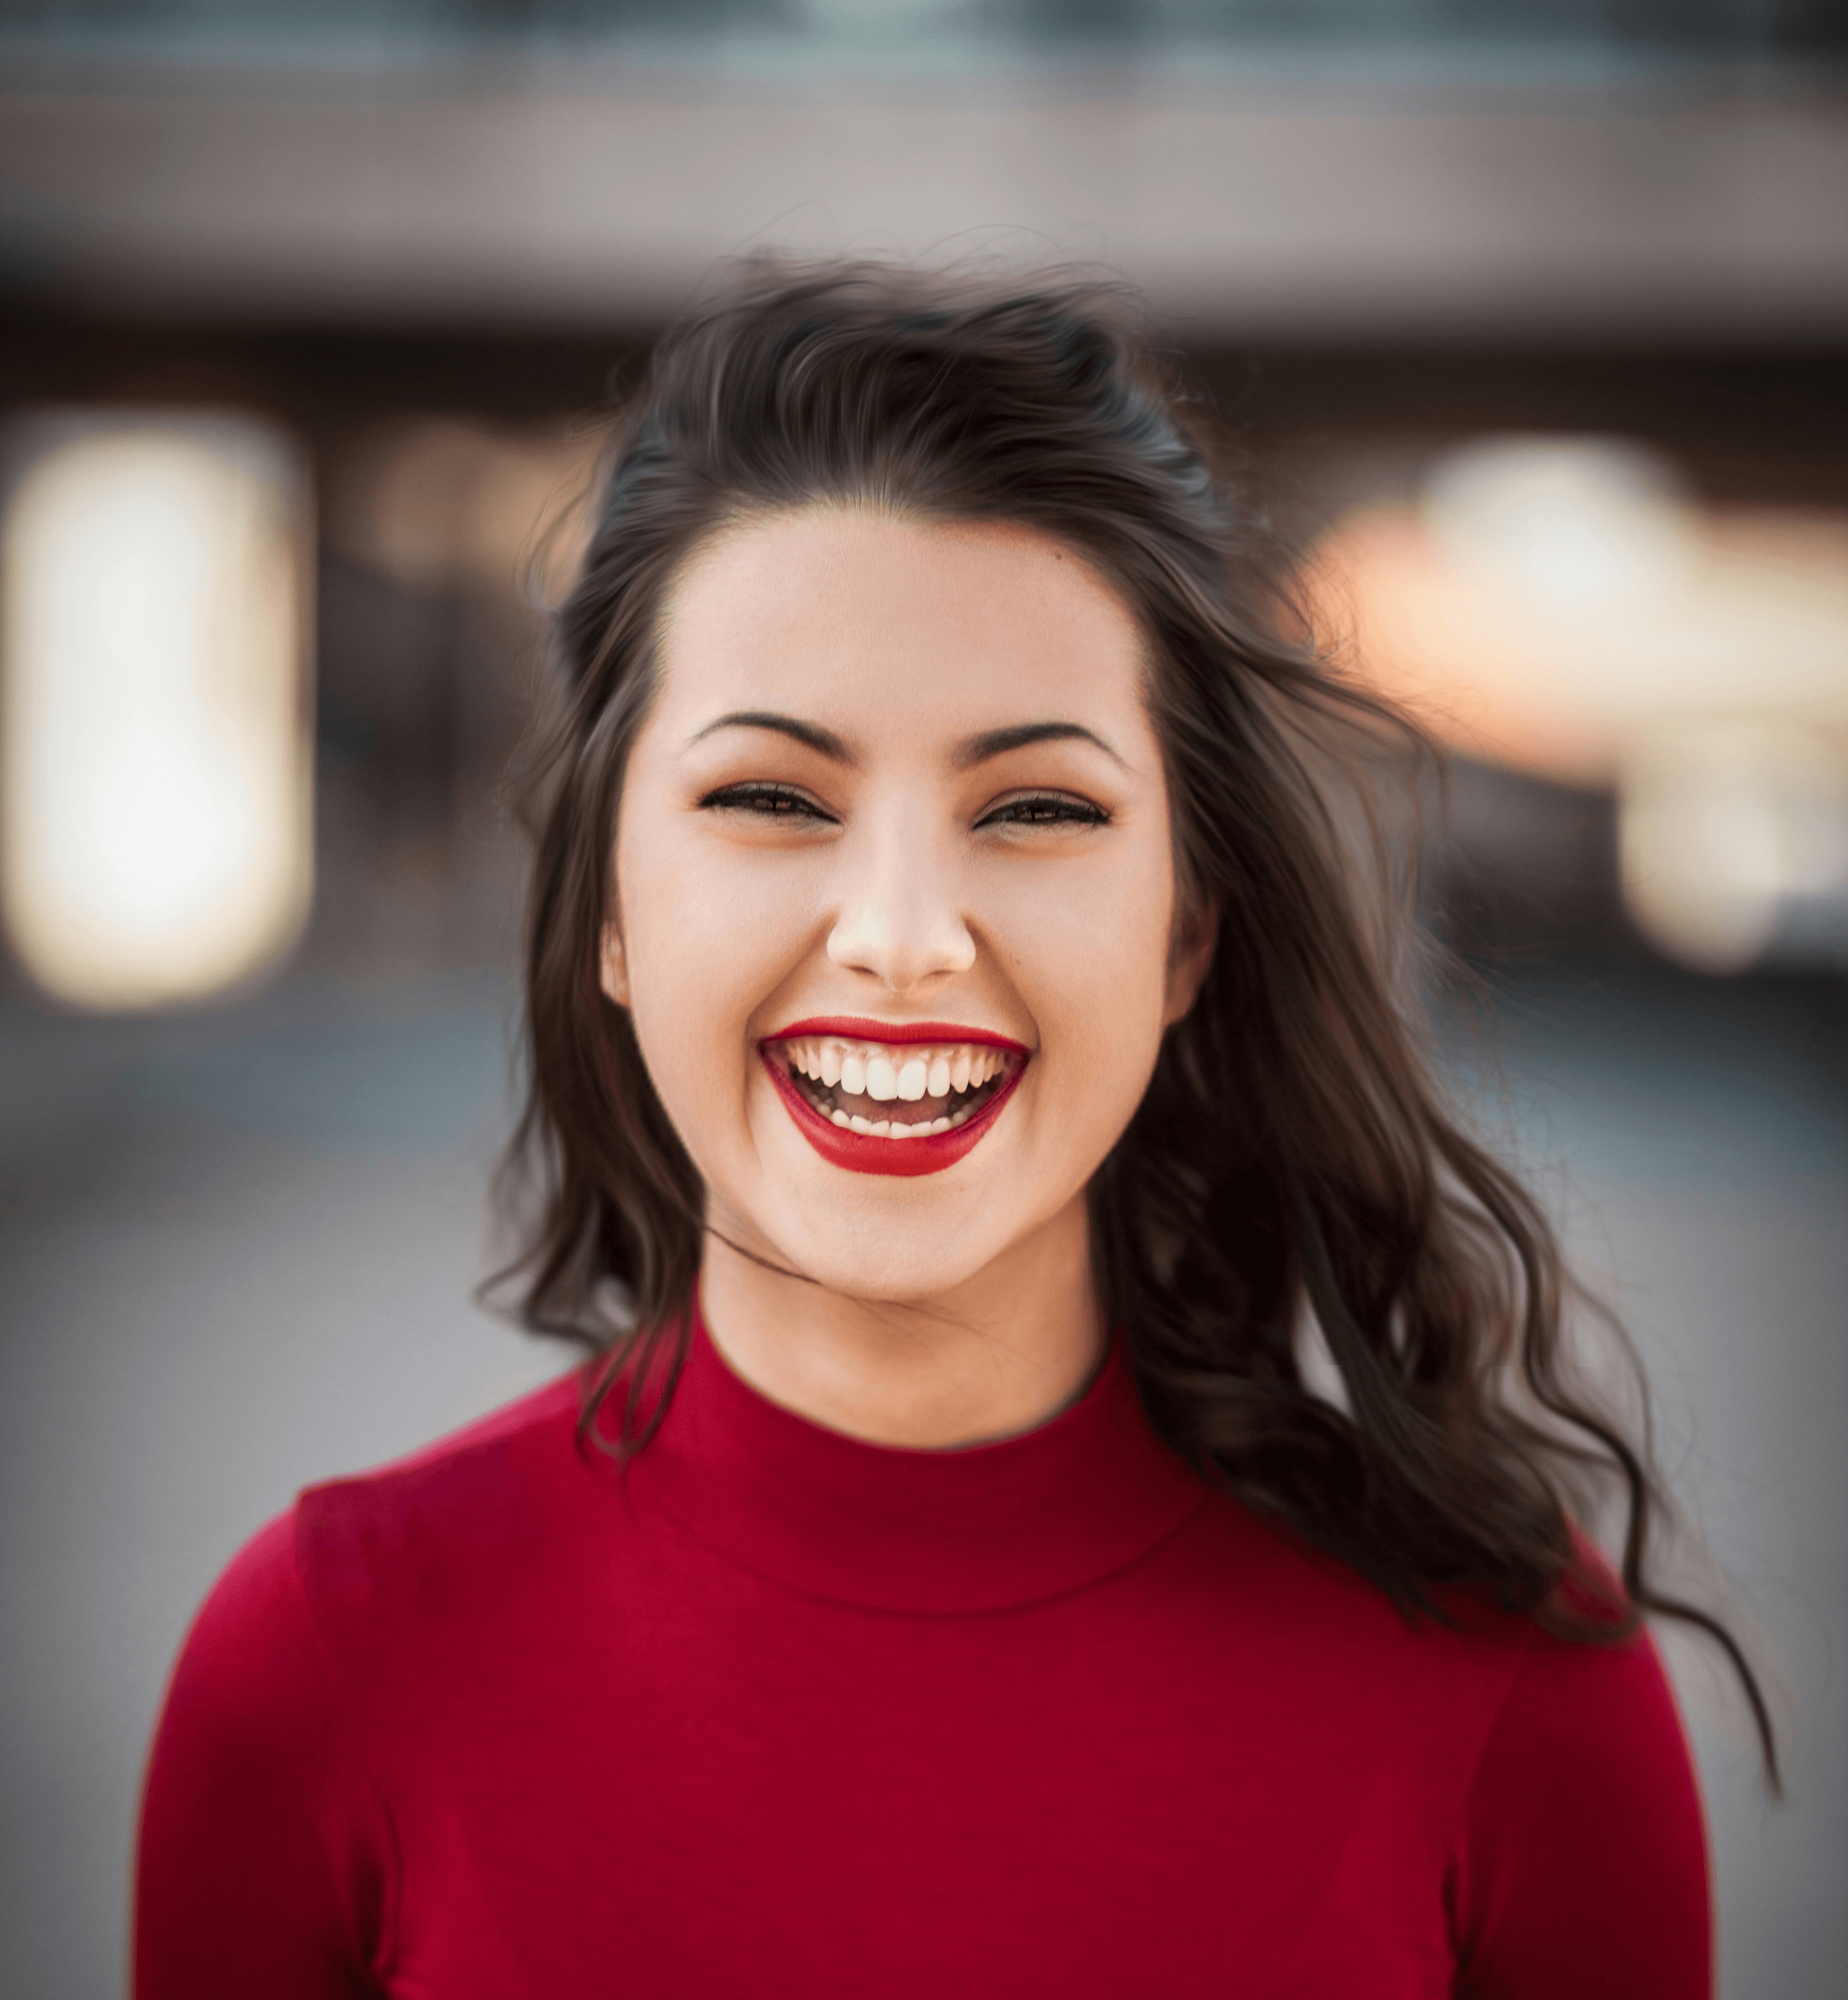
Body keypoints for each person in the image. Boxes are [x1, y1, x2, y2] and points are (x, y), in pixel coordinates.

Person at [134, 260, 1772, 1998]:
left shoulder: (1518, 1691)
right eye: (773, 797)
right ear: (610, 905)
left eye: (1039, 807)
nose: (903, 936)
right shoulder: (321, 1667)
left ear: (1188, 932)